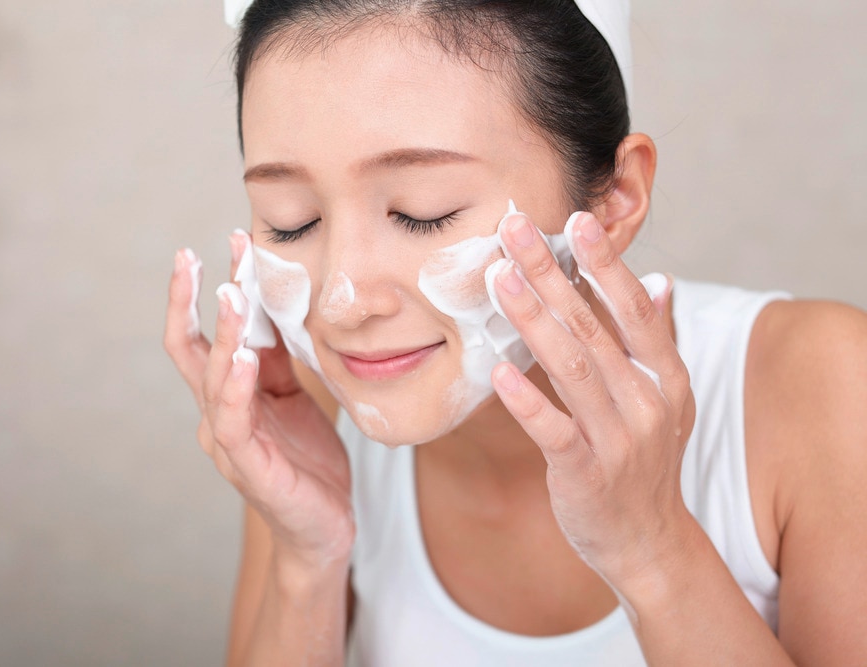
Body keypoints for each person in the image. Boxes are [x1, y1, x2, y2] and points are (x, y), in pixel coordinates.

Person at [164, 1, 867, 664]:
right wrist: (307, 556)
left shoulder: (824, 386)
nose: (343, 299)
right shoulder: (309, 416)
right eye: (291, 219)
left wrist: (654, 550)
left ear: (616, 199)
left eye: (423, 212)